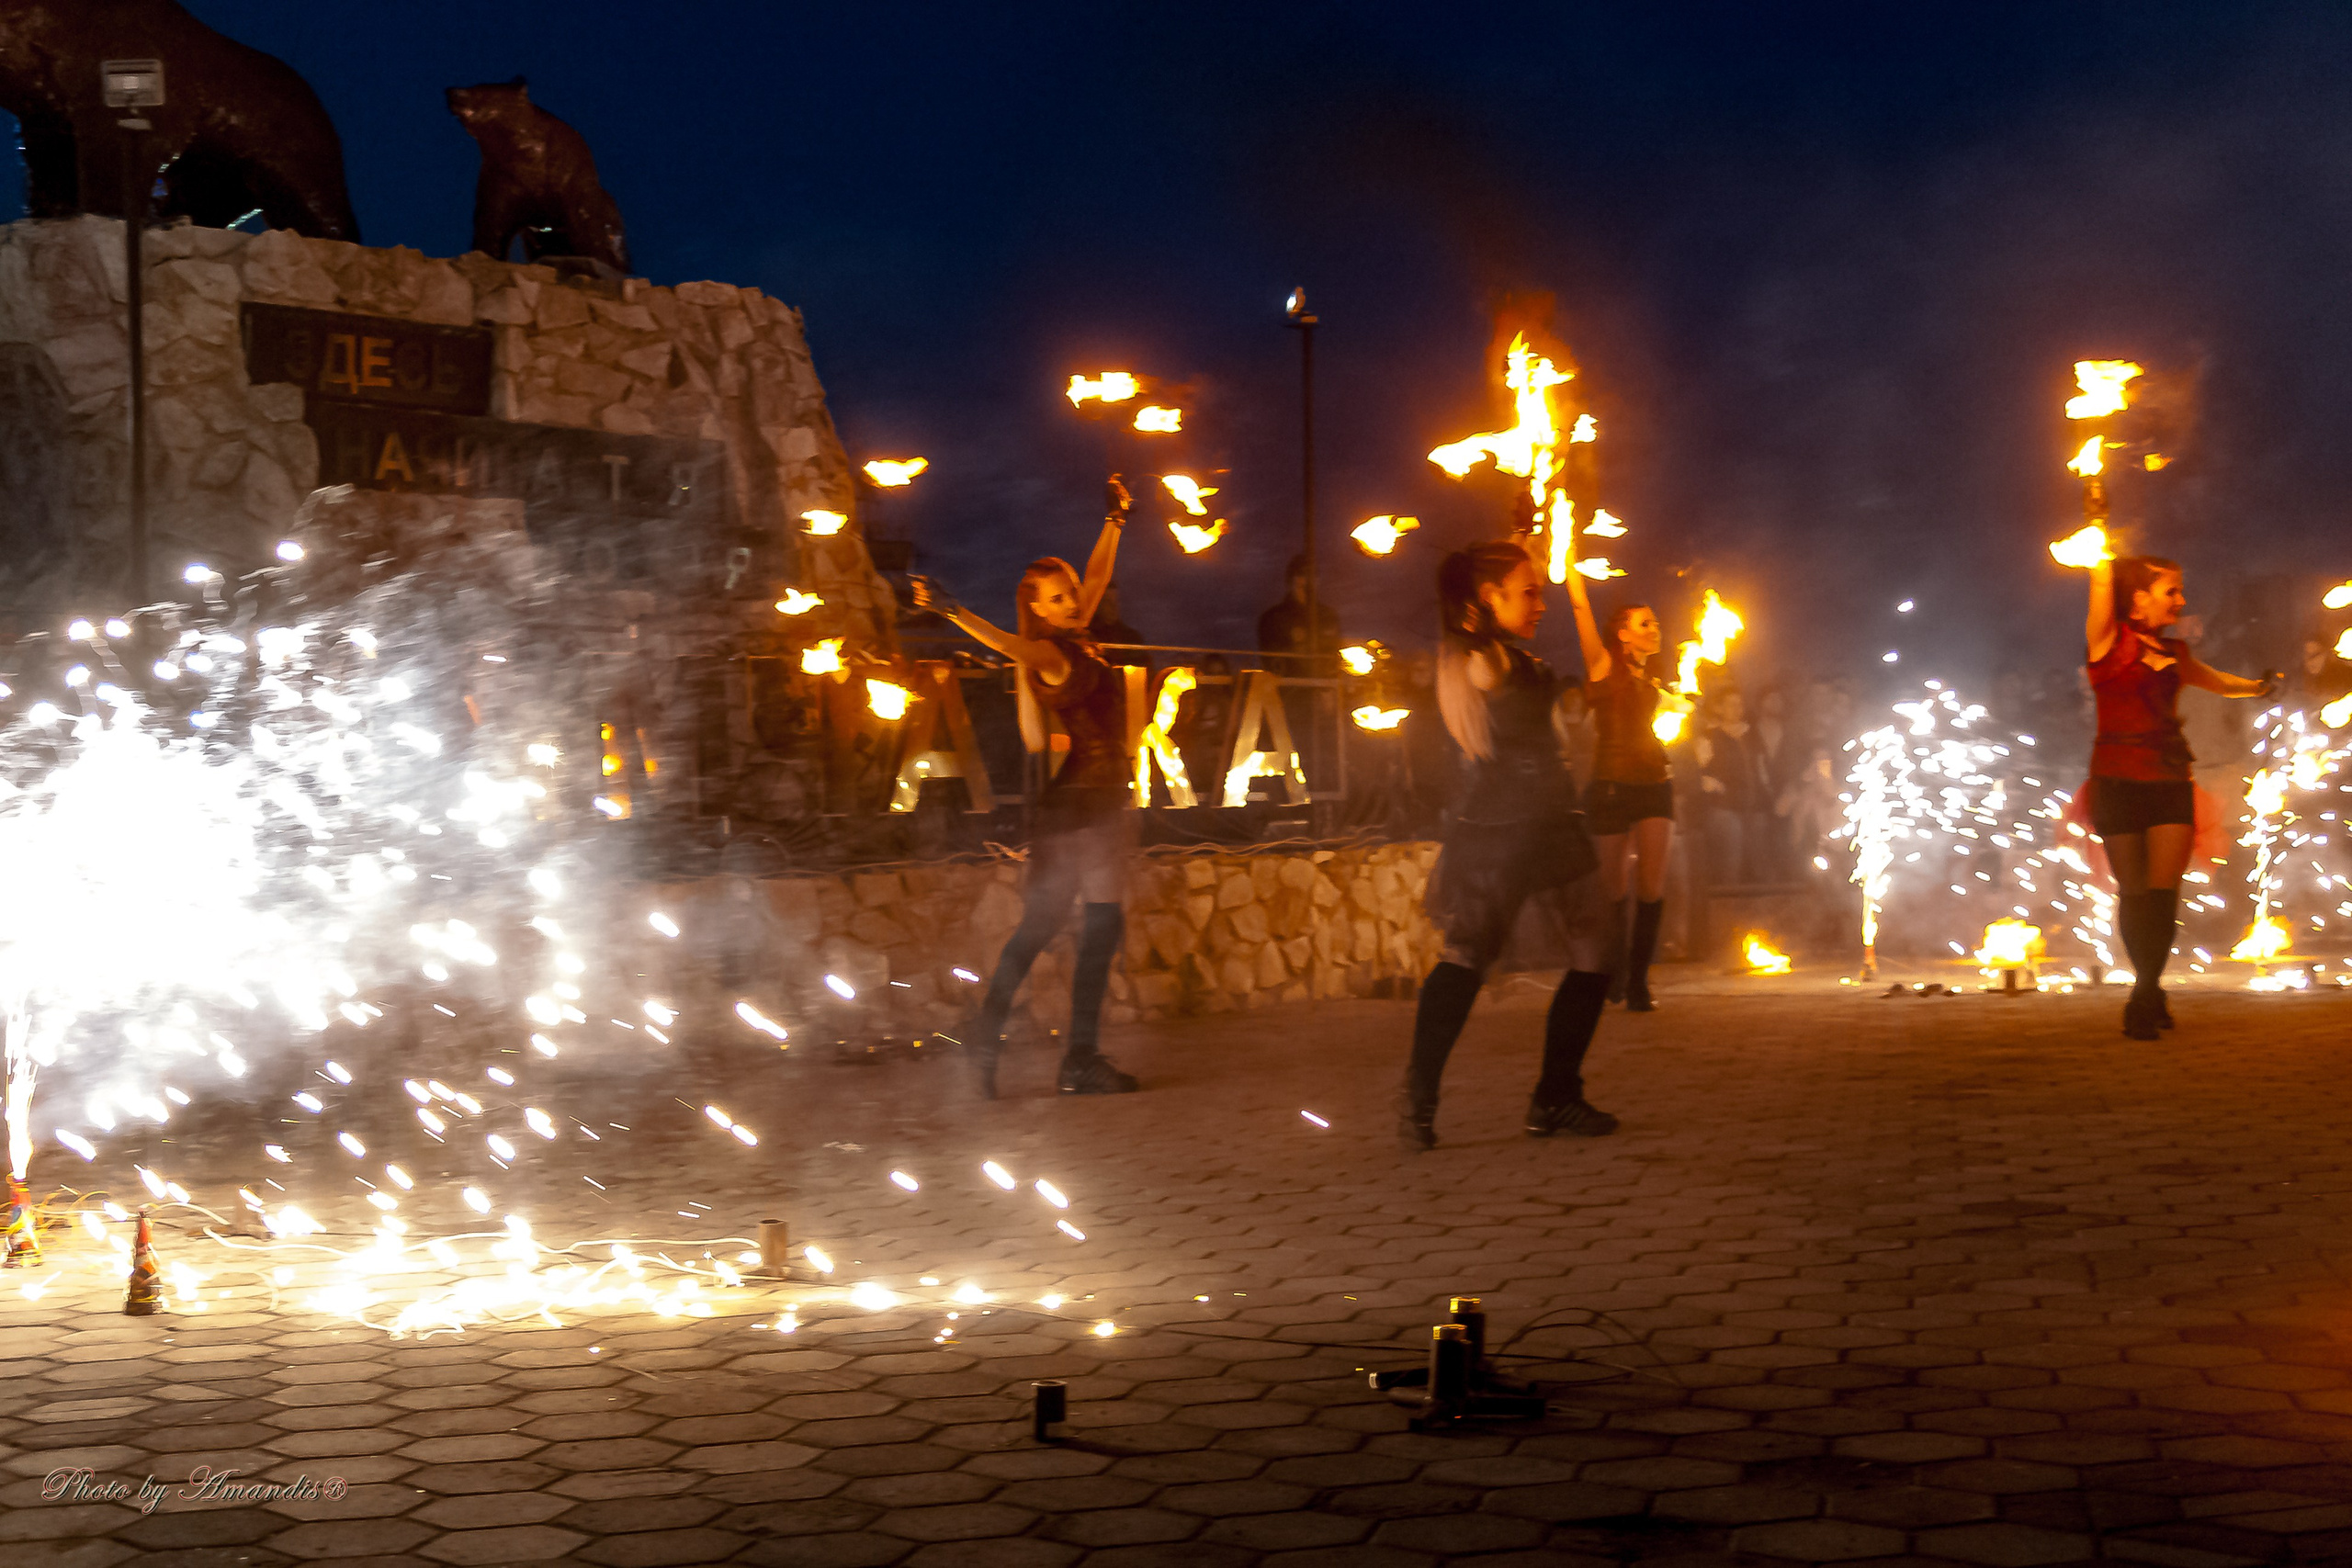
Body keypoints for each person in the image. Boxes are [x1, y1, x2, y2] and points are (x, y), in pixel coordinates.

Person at [912, 479, 1142, 1096]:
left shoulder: (1073, 636)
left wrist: (1115, 518)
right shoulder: (1044, 652)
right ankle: (1078, 1059)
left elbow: (1096, 574)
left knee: (1046, 924)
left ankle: (988, 1047)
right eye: (1059, 596)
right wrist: (952, 610)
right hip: (1089, 802)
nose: (1074, 599)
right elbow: (1007, 641)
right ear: (1037, 608)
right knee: (1097, 922)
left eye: (1071, 592)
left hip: (1079, 800)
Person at [1399, 540, 1618, 1152]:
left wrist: (1527, 528)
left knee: (1596, 947)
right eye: (1528, 592)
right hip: (1501, 831)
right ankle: (1420, 1097)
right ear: (1486, 598)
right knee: (1468, 956)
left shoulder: (1501, 652)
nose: (1539, 602)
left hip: (1548, 820)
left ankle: (1555, 1096)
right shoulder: (1476, 658)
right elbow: (1470, 668)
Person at [2081, 553, 2273, 1041]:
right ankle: (2149, 991)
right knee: (2135, 893)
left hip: (2168, 781)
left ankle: (2145, 991)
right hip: (2118, 781)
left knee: (2163, 894)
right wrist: (2096, 513)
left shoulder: (2175, 653)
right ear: (2139, 598)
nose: (2182, 600)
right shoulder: (2108, 642)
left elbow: (2215, 680)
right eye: (2172, 591)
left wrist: (2257, 688)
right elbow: (2101, 578)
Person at [1565, 574, 1675, 1012]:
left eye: (1656, 623)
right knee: (1613, 889)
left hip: (1654, 784)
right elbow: (1579, 610)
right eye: (1645, 624)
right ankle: (1610, 970)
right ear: (1622, 633)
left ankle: (1639, 980)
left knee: (1651, 885)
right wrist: (1569, 564)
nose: (1656, 629)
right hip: (1610, 786)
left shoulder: (1657, 677)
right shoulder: (1603, 664)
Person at [1693, 690, 1770, 886]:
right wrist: (1707, 782)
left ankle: (1759, 908)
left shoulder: (1751, 735)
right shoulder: (1711, 737)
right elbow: (1696, 769)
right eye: (1731, 704)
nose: (1737, 709)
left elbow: (1761, 767)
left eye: (1740, 704)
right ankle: (1727, 907)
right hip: (1725, 808)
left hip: (1755, 806)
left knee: (1759, 860)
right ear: (1720, 708)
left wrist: (1767, 792)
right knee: (1730, 862)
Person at [1256, 553, 1342, 670]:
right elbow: (1271, 660)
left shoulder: (1329, 617)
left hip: (1326, 684)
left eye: (1313, 575)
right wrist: (1296, 648)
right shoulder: (1272, 618)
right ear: (1290, 580)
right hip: (1288, 685)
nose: (1307, 581)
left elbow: (1335, 654)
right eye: (1301, 574)